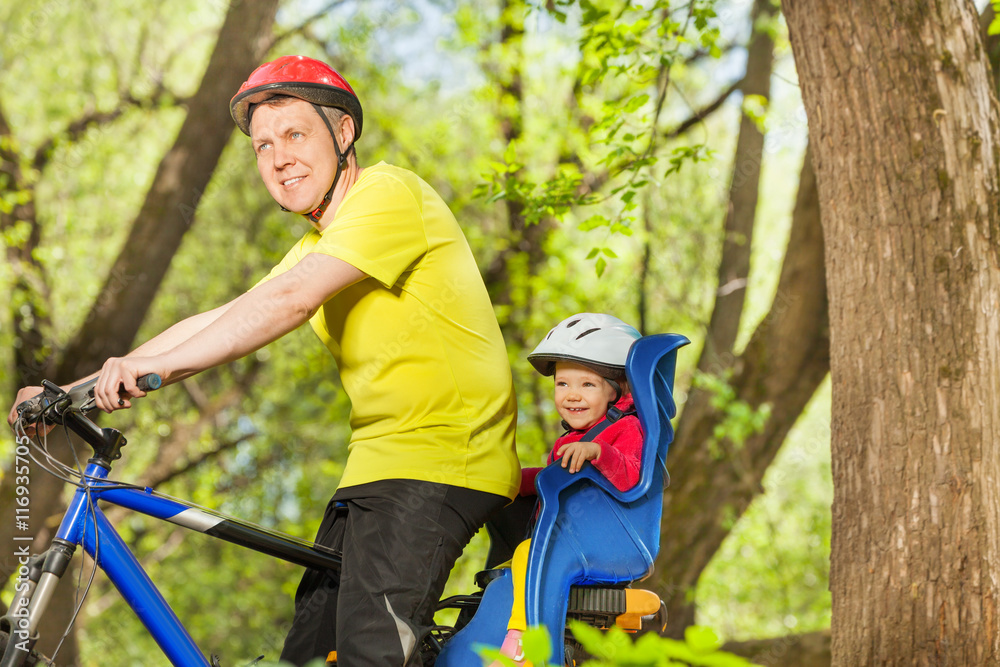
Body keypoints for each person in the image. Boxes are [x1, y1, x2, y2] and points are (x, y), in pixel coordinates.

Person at [7, 55, 519, 666]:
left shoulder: (390, 194)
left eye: (295, 134)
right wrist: (76, 386)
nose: (277, 158)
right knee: (306, 657)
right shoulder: (320, 243)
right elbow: (222, 319)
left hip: (442, 461)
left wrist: (156, 371)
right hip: (375, 472)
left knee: (369, 655)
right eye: (261, 146)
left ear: (344, 134)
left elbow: (290, 301)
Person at [491, 313, 643, 667]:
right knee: (512, 560)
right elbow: (548, 480)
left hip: (603, 541)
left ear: (617, 389)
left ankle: (521, 645)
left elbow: (633, 477)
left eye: (587, 385)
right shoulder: (570, 440)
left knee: (530, 554)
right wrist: (506, 480)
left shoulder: (626, 429)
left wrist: (599, 453)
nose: (572, 395)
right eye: (562, 384)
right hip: (569, 539)